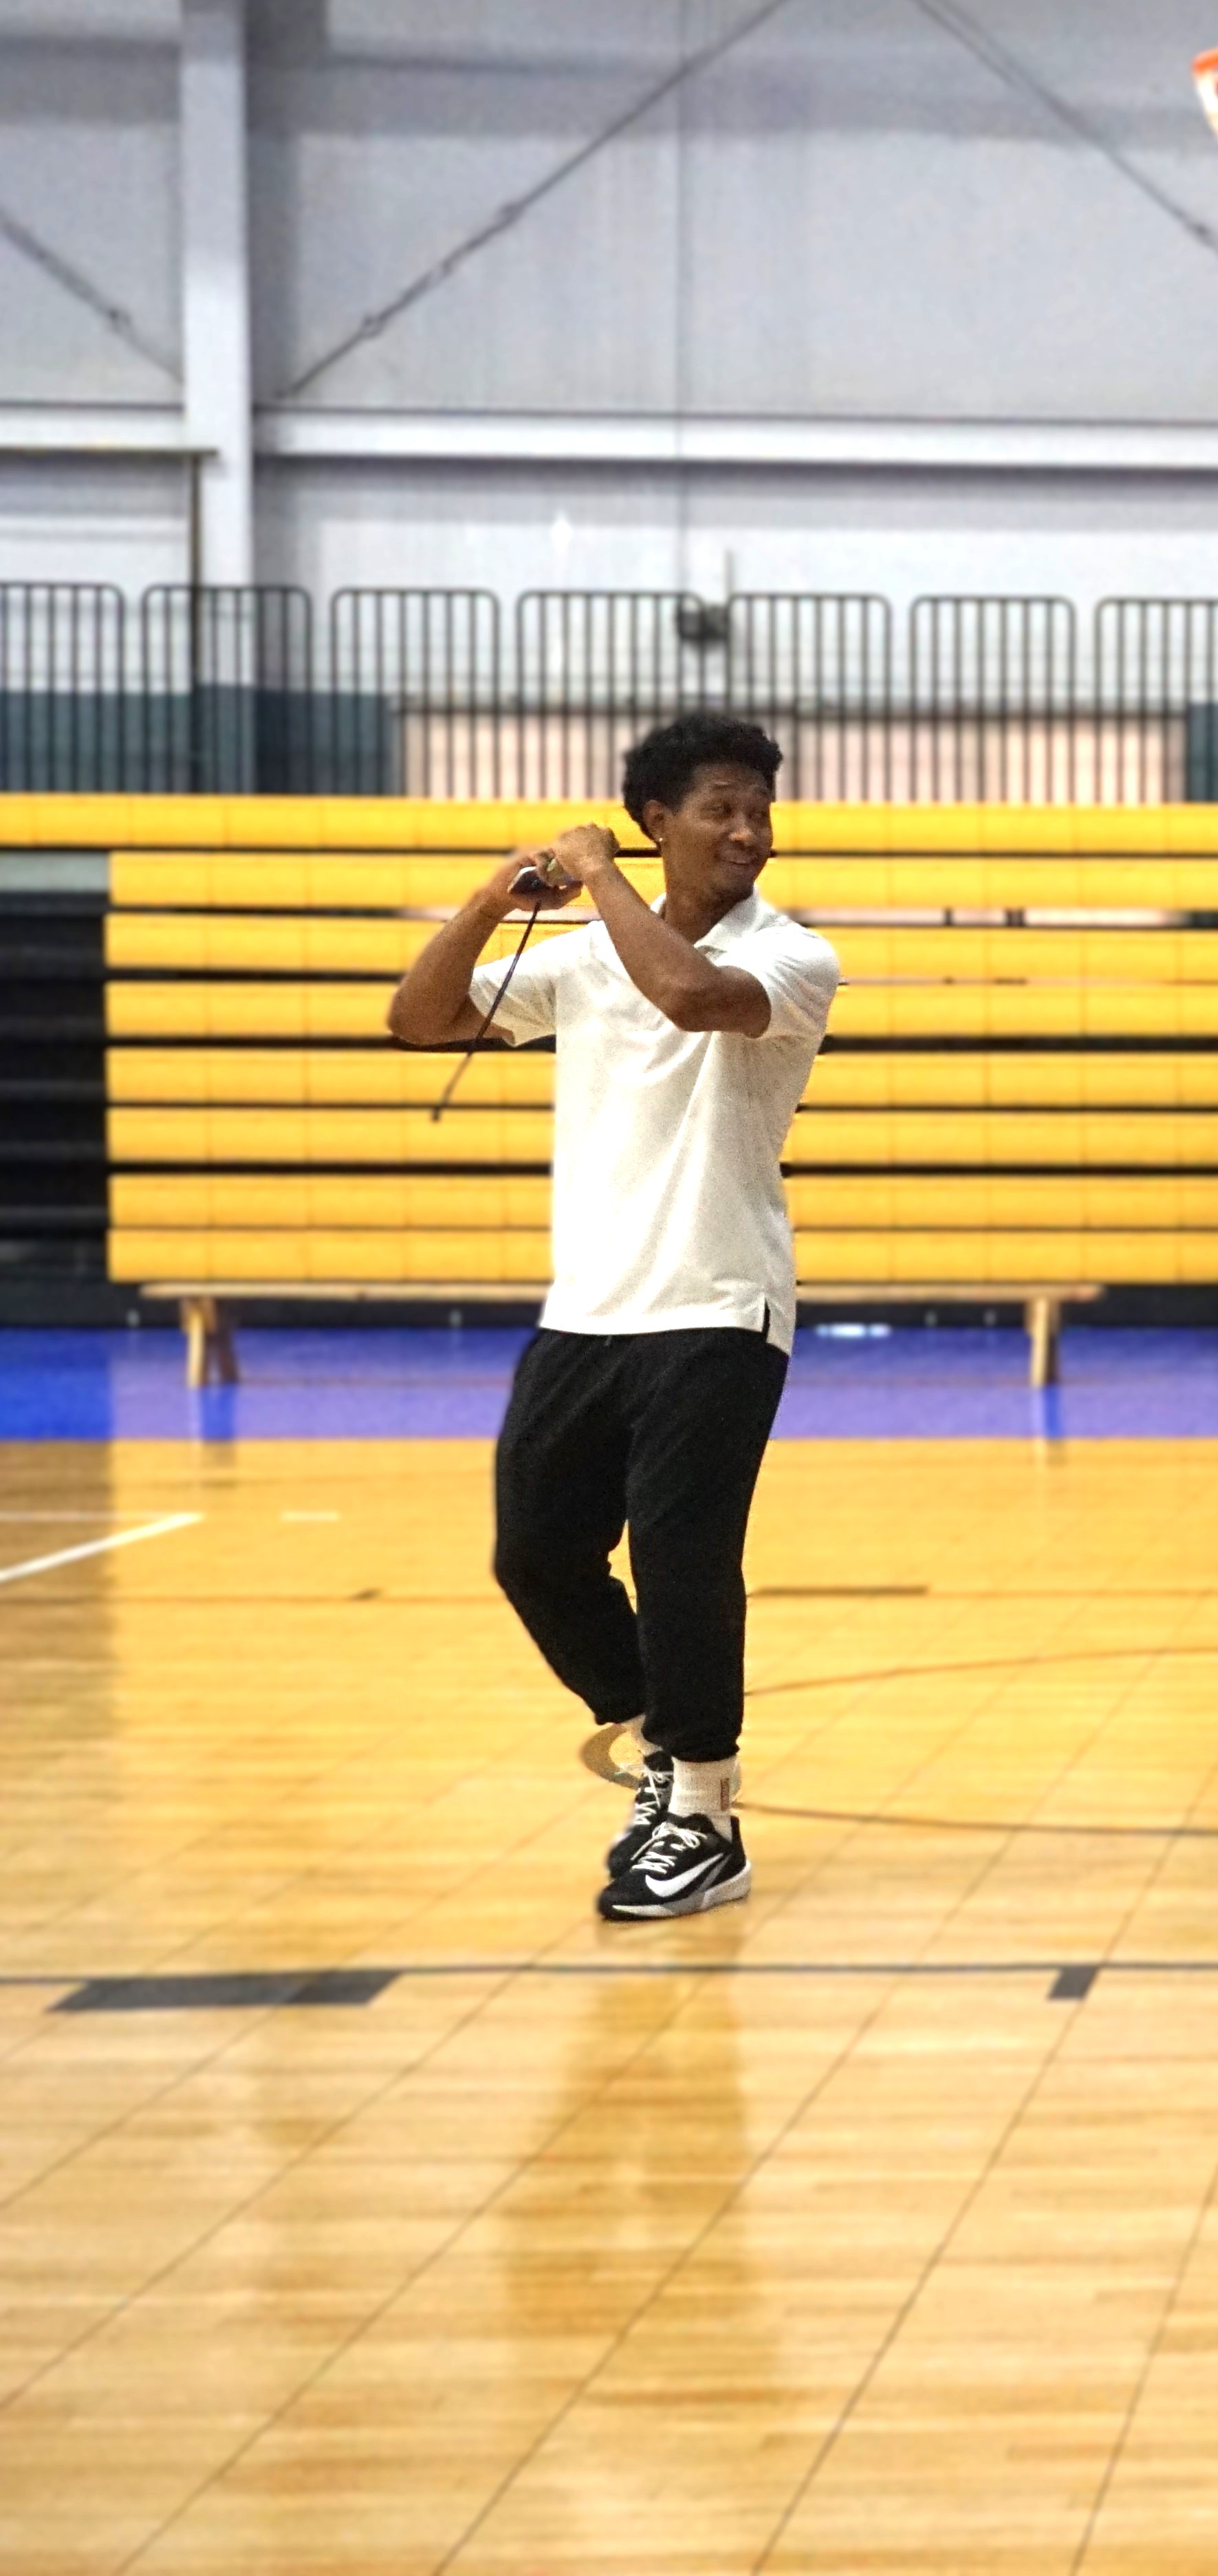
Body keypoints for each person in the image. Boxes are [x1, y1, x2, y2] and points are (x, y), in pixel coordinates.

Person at [383, 712, 840, 1925]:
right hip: (588, 1308)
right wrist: (492, 898)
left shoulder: (791, 954)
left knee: (681, 1557)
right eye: (721, 808)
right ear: (658, 821)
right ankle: (658, 1748)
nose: (748, 831)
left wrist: (593, 874)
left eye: (760, 810)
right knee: (535, 1553)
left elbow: (687, 994)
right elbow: (418, 1019)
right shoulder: (586, 960)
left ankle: (706, 1815)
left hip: (720, 1302)